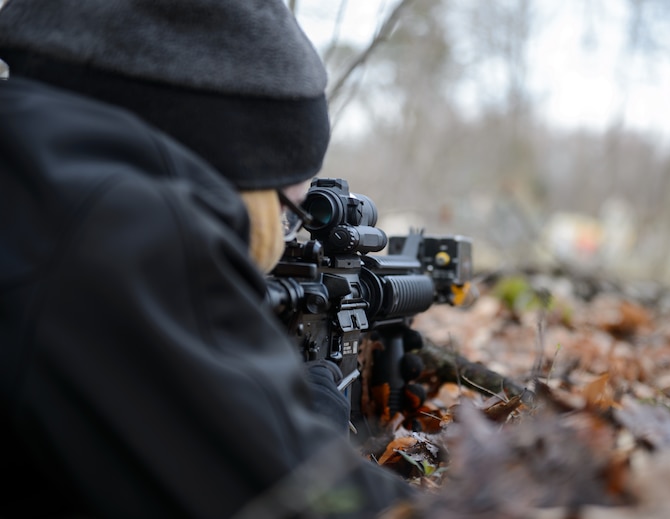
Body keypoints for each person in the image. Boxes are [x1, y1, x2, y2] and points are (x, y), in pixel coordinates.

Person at [0, 0, 414, 517]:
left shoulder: (36, 168)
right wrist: (311, 426)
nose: (286, 242)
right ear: (220, 165)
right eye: (285, 214)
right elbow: (310, 505)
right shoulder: (117, 225)